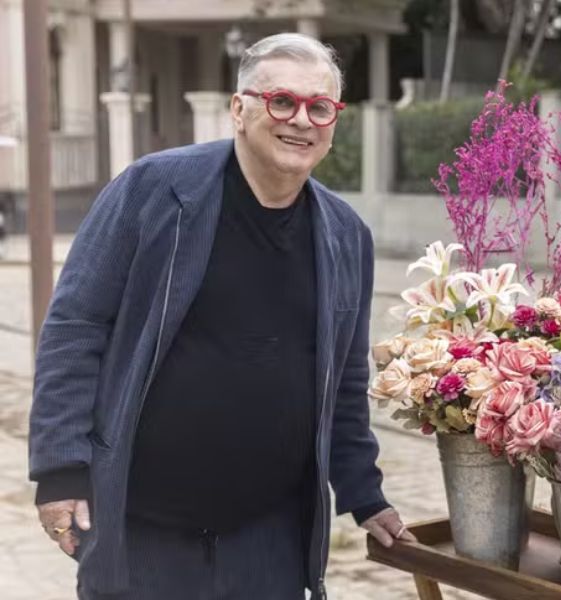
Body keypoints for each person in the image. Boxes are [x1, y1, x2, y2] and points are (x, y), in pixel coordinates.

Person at [28, 32, 412, 600]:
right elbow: (75, 329)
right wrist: (60, 469)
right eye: (281, 101)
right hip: (145, 528)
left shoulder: (344, 234)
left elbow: (343, 383)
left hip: (269, 539)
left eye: (319, 107)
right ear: (239, 109)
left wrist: (364, 493)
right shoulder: (152, 190)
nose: (301, 120)